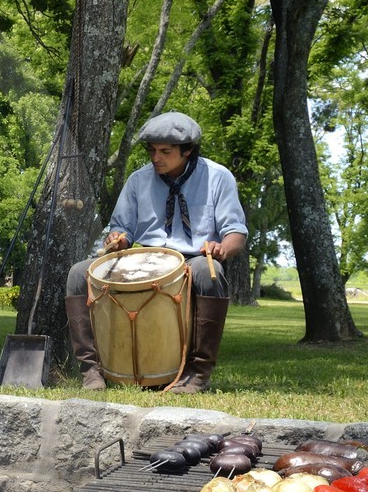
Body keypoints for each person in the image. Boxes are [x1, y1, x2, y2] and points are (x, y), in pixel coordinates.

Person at [65, 110, 247, 393]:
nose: (155, 158)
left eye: (165, 151)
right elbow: (121, 229)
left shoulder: (218, 177)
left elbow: (236, 232)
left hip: (192, 259)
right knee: (79, 273)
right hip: (143, 259)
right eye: (152, 150)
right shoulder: (138, 180)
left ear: (187, 151)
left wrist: (221, 247)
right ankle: (91, 371)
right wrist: (118, 238)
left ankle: (197, 373)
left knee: (208, 273)